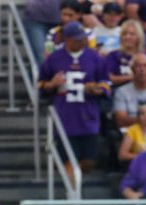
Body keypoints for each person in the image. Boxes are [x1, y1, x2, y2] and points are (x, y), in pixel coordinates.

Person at [39, 23, 110, 170]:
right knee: (68, 162)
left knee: (90, 162)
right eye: (76, 39)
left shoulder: (94, 58)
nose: (80, 42)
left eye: (82, 39)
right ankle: (72, 190)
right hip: (65, 116)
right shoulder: (54, 58)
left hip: (89, 116)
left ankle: (77, 187)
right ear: (66, 39)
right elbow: (40, 84)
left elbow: (106, 82)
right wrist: (52, 84)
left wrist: (97, 89)